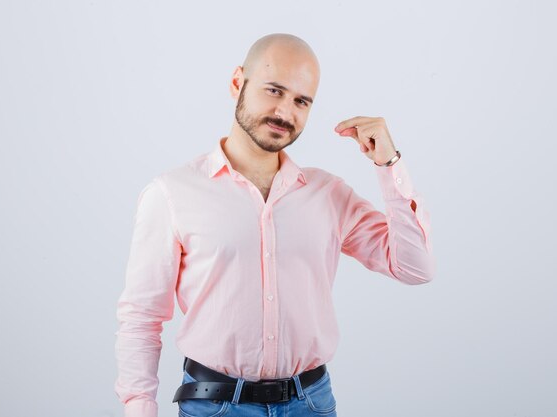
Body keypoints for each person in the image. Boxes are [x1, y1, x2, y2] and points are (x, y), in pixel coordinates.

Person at [114, 32, 435, 417]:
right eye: (274, 90)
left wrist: (389, 165)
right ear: (238, 83)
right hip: (215, 405)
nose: (285, 112)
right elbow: (142, 316)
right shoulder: (171, 194)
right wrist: (140, 408)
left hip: (312, 403)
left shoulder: (329, 194)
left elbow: (415, 268)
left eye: (301, 101)